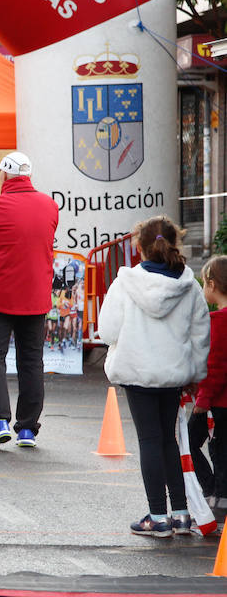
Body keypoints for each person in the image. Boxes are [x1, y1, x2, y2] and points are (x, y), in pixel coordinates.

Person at [98, 215, 209, 537]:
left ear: (139, 247)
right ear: (175, 243)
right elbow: (201, 335)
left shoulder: (126, 282)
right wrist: (196, 374)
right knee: (169, 441)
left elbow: (107, 330)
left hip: (138, 370)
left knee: (149, 440)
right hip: (174, 373)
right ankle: (181, 513)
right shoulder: (190, 285)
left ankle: (157, 516)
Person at [0, 152, 58, 449]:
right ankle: (27, 429)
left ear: (5, 175)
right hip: (36, 296)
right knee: (31, 361)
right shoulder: (50, 206)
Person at [189, 255, 227, 509]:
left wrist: (202, 401)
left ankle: (213, 491)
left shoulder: (219, 322)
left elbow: (215, 367)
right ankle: (219, 493)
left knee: (192, 442)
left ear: (212, 285)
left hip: (218, 401)